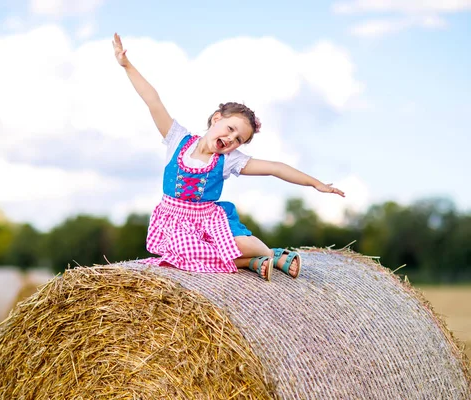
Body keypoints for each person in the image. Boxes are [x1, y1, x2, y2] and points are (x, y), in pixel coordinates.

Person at [112, 33, 345, 281]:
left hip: (210, 220)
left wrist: (315, 183)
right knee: (190, 254)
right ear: (216, 119)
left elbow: (275, 168)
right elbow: (152, 100)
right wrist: (127, 65)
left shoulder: (229, 160)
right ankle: (257, 263)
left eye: (239, 140)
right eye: (230, 129)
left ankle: (265, 255)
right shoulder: (176, 139)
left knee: (247, 245)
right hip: (177, 226)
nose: (232, 139)